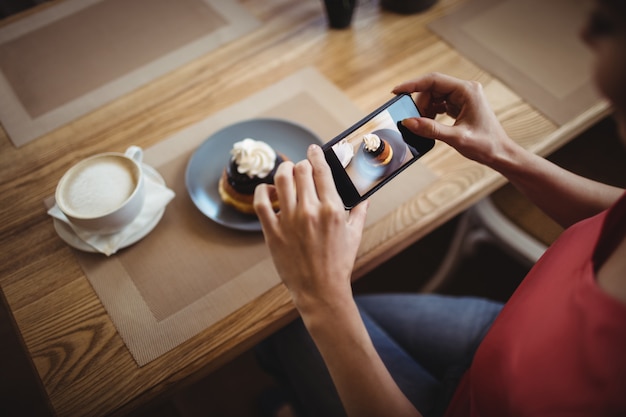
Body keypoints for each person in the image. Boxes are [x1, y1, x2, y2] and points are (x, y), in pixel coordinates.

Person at [252, 0, 626, 415]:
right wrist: (503, 152)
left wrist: (320, 299)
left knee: (285, 327)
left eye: (609, 22)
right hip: (502, 330)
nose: (584, 33)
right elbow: (614, 217)